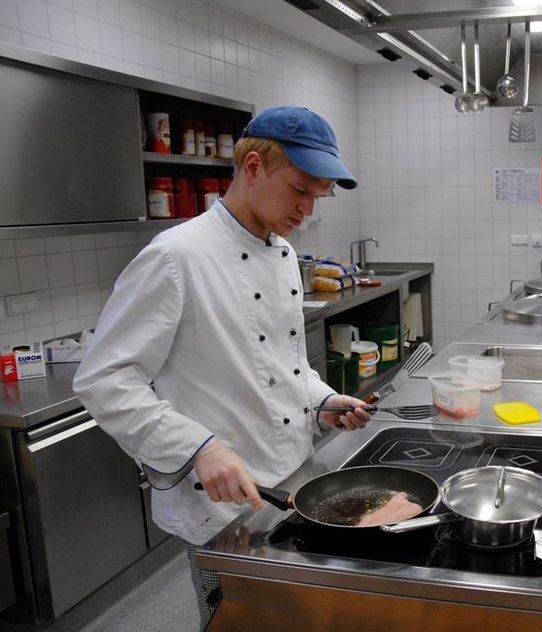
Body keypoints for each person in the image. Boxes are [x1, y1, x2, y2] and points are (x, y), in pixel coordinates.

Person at [73, 106, 371, 630]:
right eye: (299, 190)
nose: (307, 208)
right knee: (233, 619)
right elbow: (103, 379)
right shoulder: (175, 256)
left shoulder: (282, 255)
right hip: (222, 506)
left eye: (316, 196)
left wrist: (322, 399)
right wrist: (199, 446)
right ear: (253, 167)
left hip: (292, 479)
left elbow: (284, 361)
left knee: (299, 617)